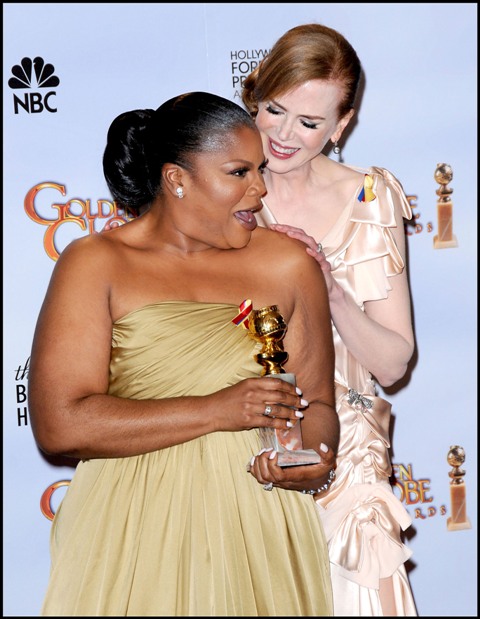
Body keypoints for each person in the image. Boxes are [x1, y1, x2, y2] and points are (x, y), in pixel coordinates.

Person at [28, 91, 340, 616]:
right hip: (129, 528)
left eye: (260, 170)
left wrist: (313, 460)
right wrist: (216, 410)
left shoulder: (289, 264)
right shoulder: (96, 263)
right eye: (239, 172)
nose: (260, 190)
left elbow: (318, 405)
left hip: (257, 527)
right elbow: (61, 425)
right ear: (177, 179)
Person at [241, 23, 417, 617]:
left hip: (346, 449)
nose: (284, 135)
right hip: (238, 437)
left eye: (310, 122)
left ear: (341, 126)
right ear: (254, 99)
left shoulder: (370, 198)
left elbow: (392, 365)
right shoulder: (218, 191)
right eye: (274, 110)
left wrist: (331, 291)